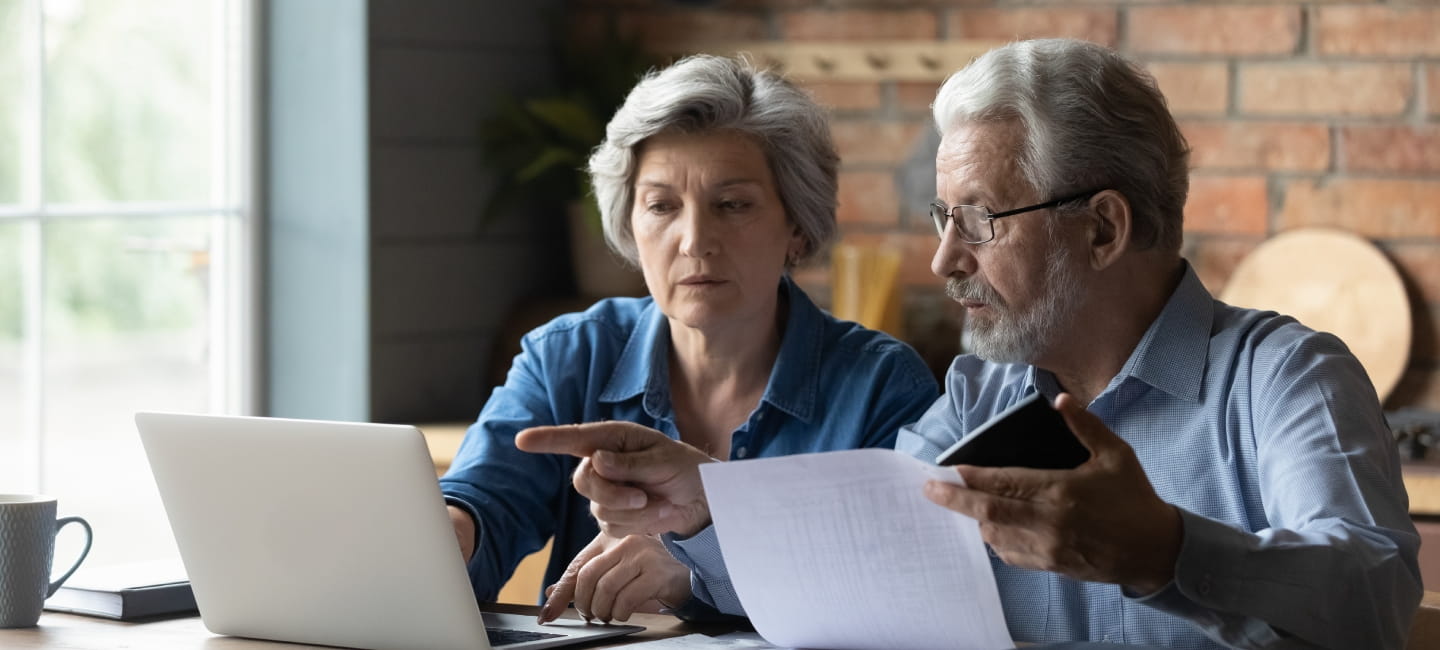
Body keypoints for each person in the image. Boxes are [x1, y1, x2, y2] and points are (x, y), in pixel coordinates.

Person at [518, 39, 1422, 649]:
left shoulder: (1283, 377)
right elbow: (856, 565)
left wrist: (1163, 552)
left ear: (1102, 229)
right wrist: (710, 506)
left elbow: (1375, 598)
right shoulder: (981, 393)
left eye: (979, 221)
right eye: (942, 218)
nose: (944, 259)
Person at [439, 53, 939, 623]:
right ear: (630, 225)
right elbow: (485, 500)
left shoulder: (882, 387)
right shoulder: (569, 356)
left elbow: (897, 589)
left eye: (732, 205)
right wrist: (452, 534)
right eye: (662, 206)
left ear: (797, 227)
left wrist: (700, 574)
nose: (695, 240)